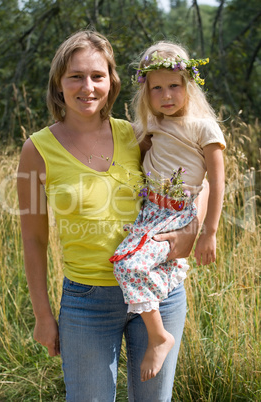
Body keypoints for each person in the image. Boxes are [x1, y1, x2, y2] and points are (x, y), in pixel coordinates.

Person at [17, 31, 208, 402]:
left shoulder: (138, 135)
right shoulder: (36, 150)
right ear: (59, 83)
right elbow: (33, 238)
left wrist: (192, 231)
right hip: (87, 302)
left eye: (97, 76)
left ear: (112, 82)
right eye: (75, 76)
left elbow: (200, 176)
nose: (87, 87)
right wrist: (42, 315)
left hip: (158, 292)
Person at [110, 41, 226, 382]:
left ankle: (159, 336)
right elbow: (145, 154)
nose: (166, 95)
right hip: (149, 211)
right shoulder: (153, 125)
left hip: (178, 216)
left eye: (174, 86)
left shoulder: (204, 128)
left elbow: (217, 184)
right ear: (146, 92)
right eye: (156, 88)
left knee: (128, 263)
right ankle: (157, 323)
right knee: (132, 262)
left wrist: (209, 232)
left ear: (188, 85)